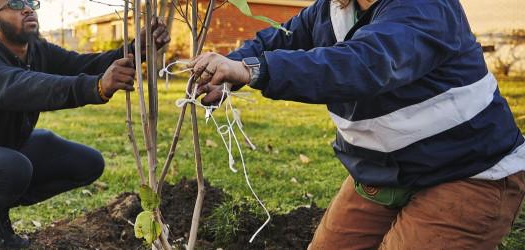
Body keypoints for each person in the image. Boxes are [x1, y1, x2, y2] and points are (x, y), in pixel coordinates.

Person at [188, 0, 524, 248]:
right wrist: (229, 68)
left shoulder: (425, 7)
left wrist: (255, 70)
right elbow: (280, 39)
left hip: (468, 171)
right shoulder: (332, 9)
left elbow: (364, 63)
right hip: (384, 170)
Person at [0, 0, 170, 249]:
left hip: (5, 149)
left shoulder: (35, 50)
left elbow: (81, 64)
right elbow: (22, 86)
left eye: (29, 2)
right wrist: (96, 87)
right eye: (15, 4)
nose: (27, 8)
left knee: (87, 163)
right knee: (13, 168)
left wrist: (137, 49)